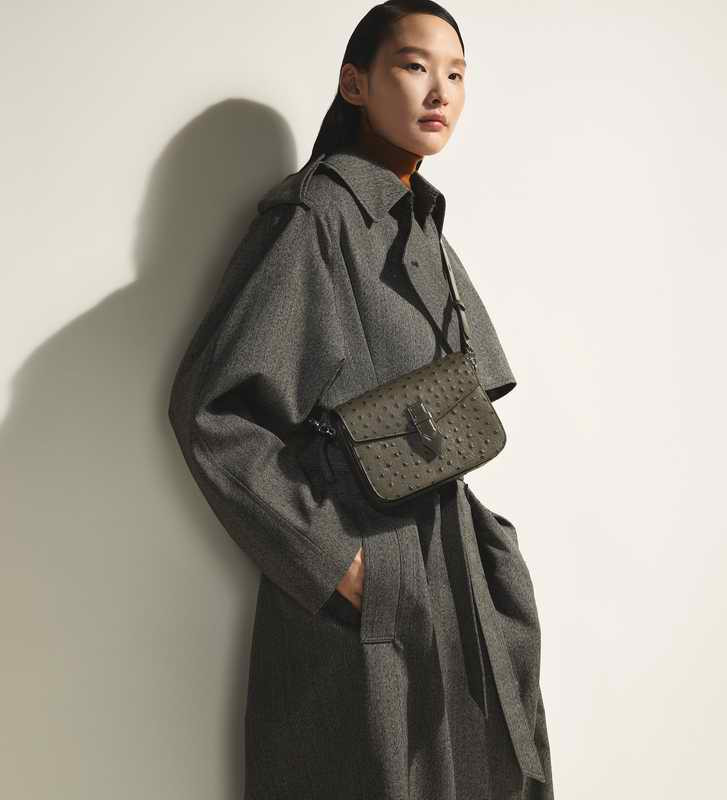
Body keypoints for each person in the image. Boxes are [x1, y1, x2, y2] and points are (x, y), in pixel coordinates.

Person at [167, 2, 555, 798]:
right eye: (414, 66)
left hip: (453, 567)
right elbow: (214, 412)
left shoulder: (420, 223)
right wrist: (333, 563)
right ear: (355, 83)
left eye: (456, 74)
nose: (439, 92)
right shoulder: (318, 216)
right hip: (372, 570)